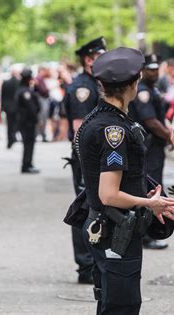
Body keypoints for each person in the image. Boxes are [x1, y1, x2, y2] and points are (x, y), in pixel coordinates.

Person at [77, 47, 174, 314]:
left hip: (108, 226)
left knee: (111, 301)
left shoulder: (97, 120)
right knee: (122, 305)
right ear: (133, 85)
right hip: (115, 229)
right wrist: (149, 203)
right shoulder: (115, 131)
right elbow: (109, 194)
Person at [63, 37, 107, 284]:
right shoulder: (84, 88)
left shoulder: (95, 83)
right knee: (86, 208)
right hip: (86, 159)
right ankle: (85, 266)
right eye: (101, 55)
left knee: (95, 208)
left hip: (92, 159)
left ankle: (93, 263)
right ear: (89, 59)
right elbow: (80, 131)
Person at [128, 54, 173, 250]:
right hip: (148, 145)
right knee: (150, 188)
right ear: (142, 71)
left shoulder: (153, 89)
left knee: (153, 185)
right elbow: (150, 121)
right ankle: (146, 234)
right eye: (150, 69)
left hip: (155, 146)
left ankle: (148, 231)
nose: (154, 72)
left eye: (156, 68)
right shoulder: (143, 92)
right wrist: (170, 136)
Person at [15, 69, 40, 174]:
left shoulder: (23, 89)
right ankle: (26, 165)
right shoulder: (25, 92)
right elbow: (31, 108)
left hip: (26, 121)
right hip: (27, 122)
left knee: (29, 143)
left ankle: (28, 163)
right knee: (28, 143)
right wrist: (36, 119)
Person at [1, 64, 21, 149]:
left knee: (9, 124)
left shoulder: (5, 82)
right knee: (16, 123)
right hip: (17, 106)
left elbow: (2, 96)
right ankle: (13, 136)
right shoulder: (19, 83)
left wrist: (2, 107)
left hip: (8, 107)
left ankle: (10, 139)